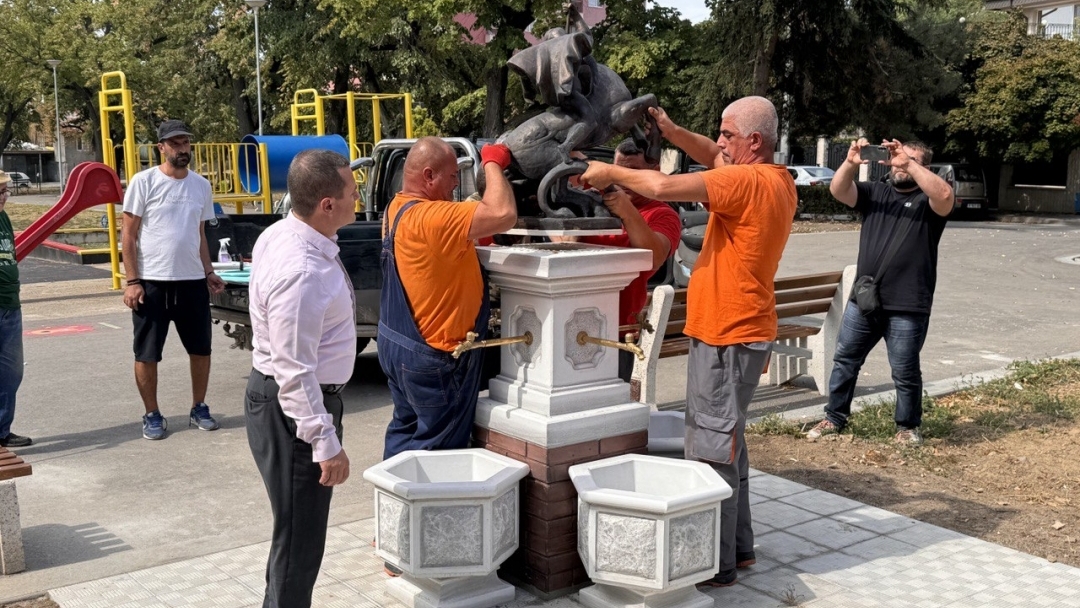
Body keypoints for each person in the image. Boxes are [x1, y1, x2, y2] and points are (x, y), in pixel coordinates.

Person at [582, 96, 796, 588]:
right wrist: (672, 130)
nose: (718, 143)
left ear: (754, 142)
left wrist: (607, 172)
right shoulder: (774, 180)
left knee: (709, 448)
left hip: (728, 333)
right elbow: (710, 157)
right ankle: (738, 549)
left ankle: (712, 564)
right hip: (743, 328)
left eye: (726, 134)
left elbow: (660, 185)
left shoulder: (745, 181)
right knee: (728, 443)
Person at [245, 149, 357, 607]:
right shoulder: (302, 269)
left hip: (284, 402)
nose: (358, 198)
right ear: (327, 204)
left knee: (295, 540)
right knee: (299, 547)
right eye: (352, 192)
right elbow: (294, 369)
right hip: (293, 411)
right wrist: (323, 441)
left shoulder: (284, 234)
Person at [806, 138, 953, 445]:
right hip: (866, 300)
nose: (899, 163)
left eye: (911, 160)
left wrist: (908, 162)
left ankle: (907, 427)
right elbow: (838, 191)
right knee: (845, 360)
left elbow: (944, 195)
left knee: (904, 370)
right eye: (896, 157)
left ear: (924, 166)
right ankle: (834, 418)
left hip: (908, 304)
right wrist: (850, 162)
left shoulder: (930, 202)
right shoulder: (875, 192)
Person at [379, 137, 517, 460]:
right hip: (436, 360)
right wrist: (493, 161)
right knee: (438, 455)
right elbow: (504, 213)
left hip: (398, 347)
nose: (457, 183)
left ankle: (396, 506)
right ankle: (430, 509)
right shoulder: (435, 218)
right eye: (453, 176)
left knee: (405, 434)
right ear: (429, 176)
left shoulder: (396, 208)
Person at [122, 119, 226, 440]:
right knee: (147, 353)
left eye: (186, 143)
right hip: (151, 283)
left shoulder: (201, 186)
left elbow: (199, 234)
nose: (182, 149)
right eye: (175, 143)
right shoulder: (144, 182)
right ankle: (152, 414)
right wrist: (132, 280)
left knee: (201, 349)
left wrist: (208, 272)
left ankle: (199, 406)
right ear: (161, 148)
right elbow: (128, 233)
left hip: (192, 281)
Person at [576, 139, 681, 382]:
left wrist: (627, 212)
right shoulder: (593, 201)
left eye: (632, 172)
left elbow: (654, 257)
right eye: (618, 170)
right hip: (572, 321)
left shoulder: (663, 213)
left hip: (618, 332)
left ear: (653, 173)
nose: (623, 178)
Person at [0, 171, 31, 448]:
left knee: (12, 372)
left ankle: (2, 430)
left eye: (5, 191)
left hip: (10, 304)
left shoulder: (4, 219)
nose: (4, 197)